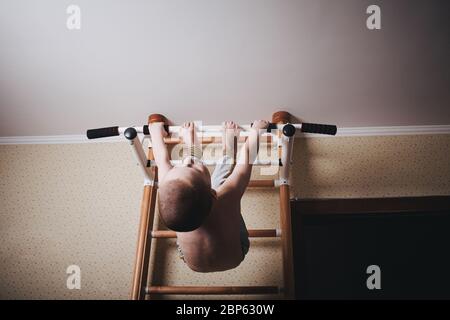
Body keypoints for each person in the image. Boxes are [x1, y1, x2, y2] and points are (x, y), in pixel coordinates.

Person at [149, 119, 269, 272]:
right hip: (237, 252)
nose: (187, 161)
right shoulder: (226, 197)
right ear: (213, 194)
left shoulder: (168, 189)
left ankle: (191, 142)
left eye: (180, 166)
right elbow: (245, 161)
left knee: (183, 193)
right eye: (194, 168)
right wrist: (257, 131)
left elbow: (162, 161)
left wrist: (155, 132)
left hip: (193, 263)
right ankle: (228, 147)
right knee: (220, 182)